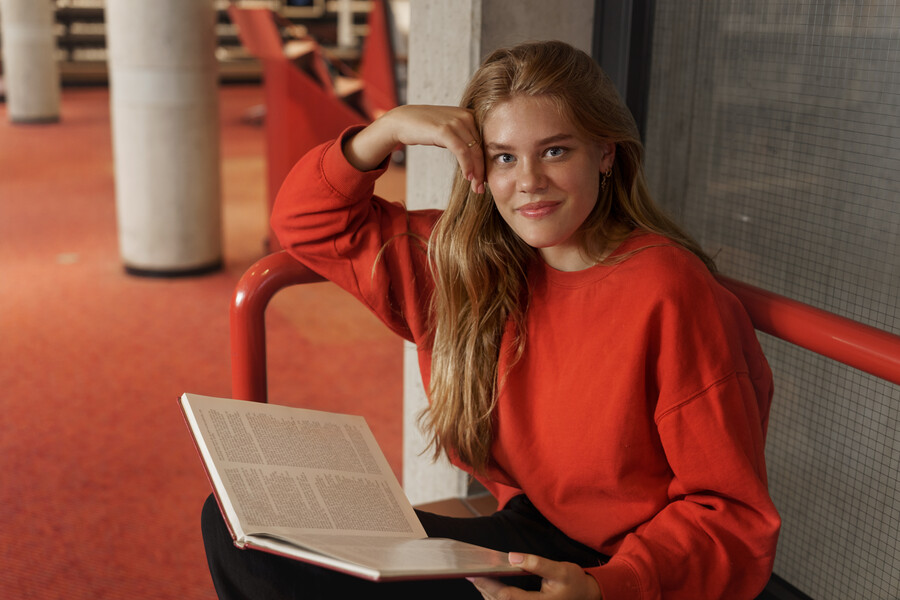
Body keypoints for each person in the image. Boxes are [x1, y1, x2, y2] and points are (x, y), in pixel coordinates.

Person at [201, 40, 780, 599]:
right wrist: (387, 130)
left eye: (555, 151)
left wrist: (608, 587)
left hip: (628, 566)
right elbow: (307, 221)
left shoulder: (670, 291)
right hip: (529, 537)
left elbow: (731, 515)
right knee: (241, 526)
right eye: (505, 157)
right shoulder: (466, 264)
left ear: (605, 153)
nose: (528, 181)